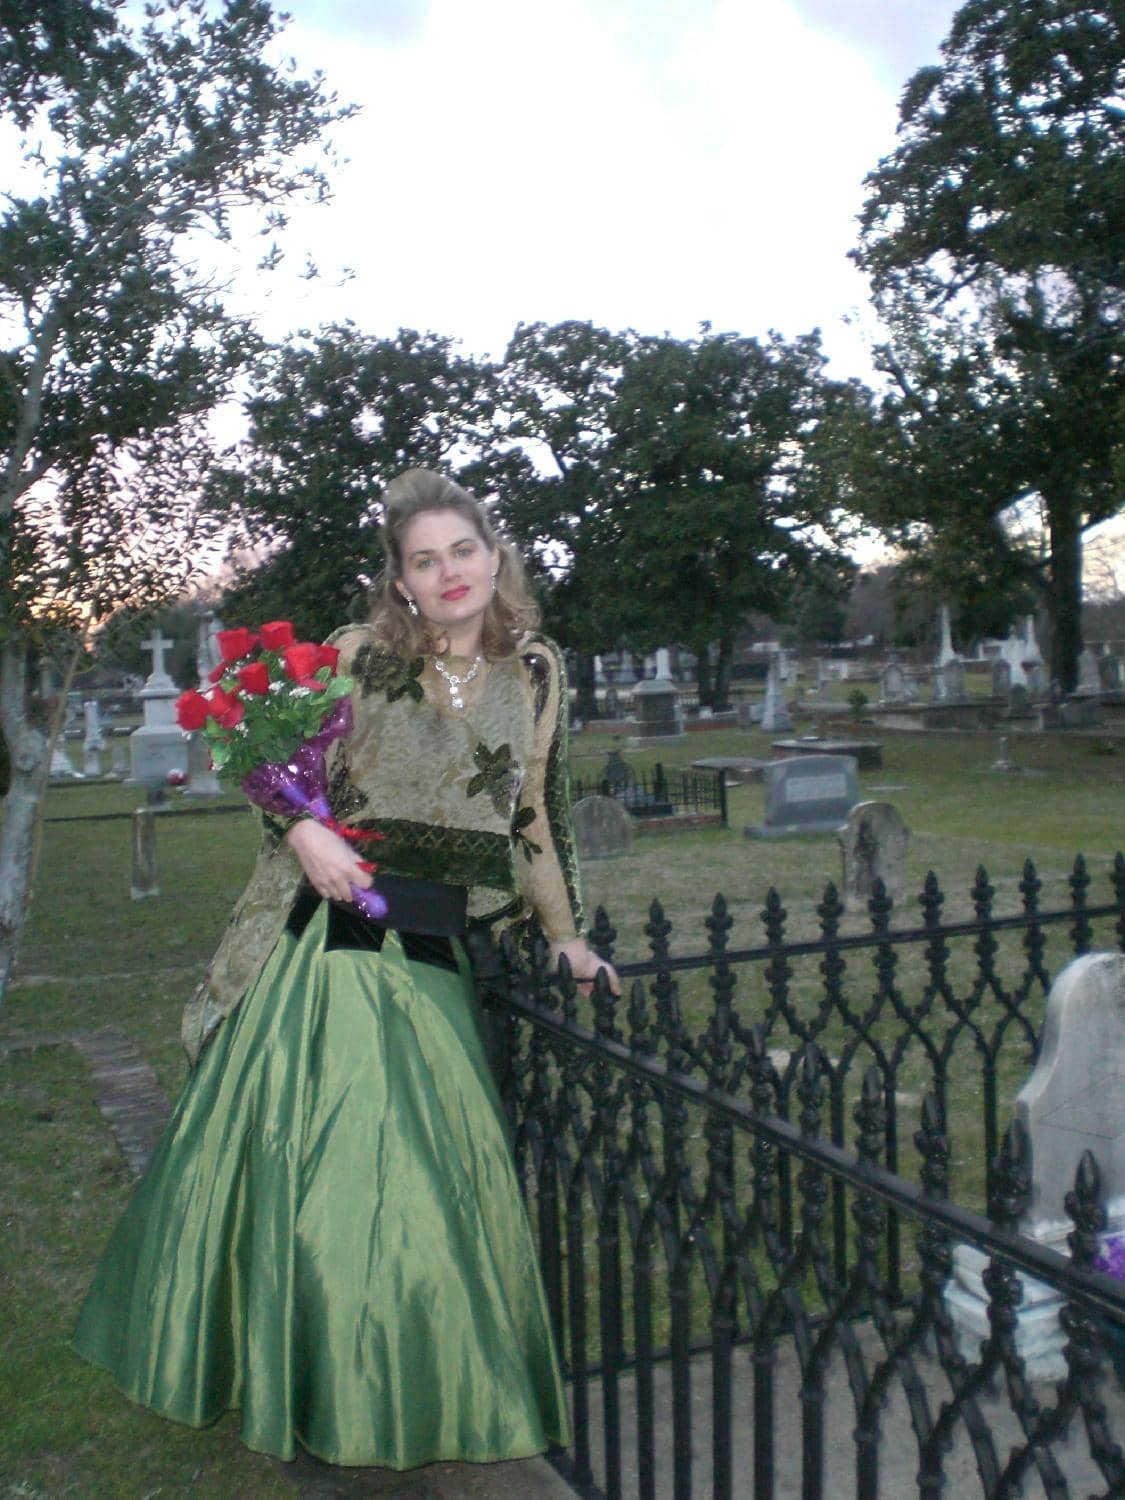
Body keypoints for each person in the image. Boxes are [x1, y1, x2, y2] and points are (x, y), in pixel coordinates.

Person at [73, 468, 618, 1469]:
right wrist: (301, 835)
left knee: (436, 1174)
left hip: (437, 939)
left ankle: (421, 1369)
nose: (448, 572)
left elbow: (533, 811)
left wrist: (565, 934)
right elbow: (275, 766)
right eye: (425, 560)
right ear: (400, 581)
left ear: (494, 557)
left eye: (463, 550)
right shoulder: (362, 657)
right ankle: (322, 1372)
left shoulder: (535, 671)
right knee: (331, 1165)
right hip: (333, 938)